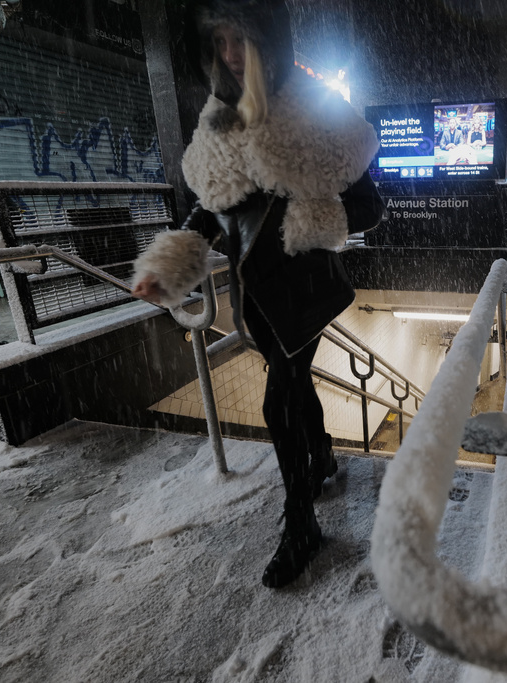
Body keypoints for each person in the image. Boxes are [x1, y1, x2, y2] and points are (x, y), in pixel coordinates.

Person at [131, 0, 384, 589]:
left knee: (279, 402)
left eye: (240, 39)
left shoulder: (319, 114)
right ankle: (319, 458)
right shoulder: (219, 121)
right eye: (219, 42)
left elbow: (372, 205)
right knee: (295, 390)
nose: (230, 54)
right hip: (257, 297)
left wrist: (311, 221)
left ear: (268, 40)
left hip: (303, 289)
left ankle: (301, 528)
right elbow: (207, 205)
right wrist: (167, 269)